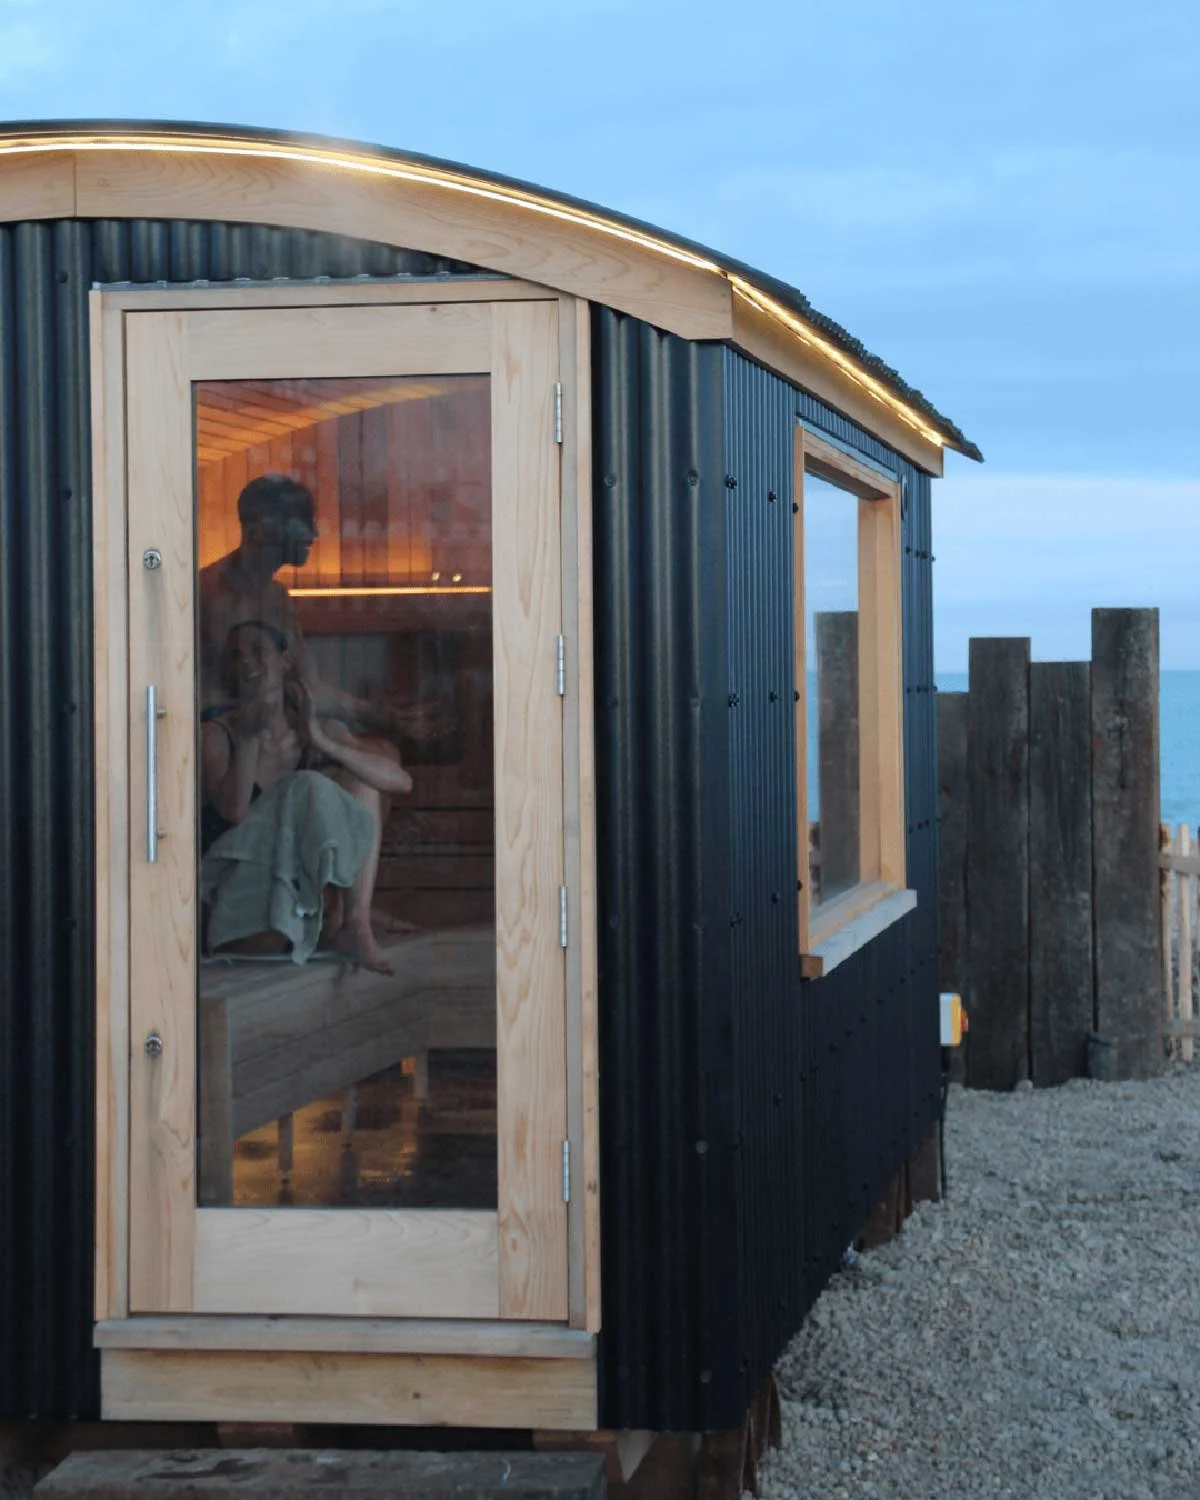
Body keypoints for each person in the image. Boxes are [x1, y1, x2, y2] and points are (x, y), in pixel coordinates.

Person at [200, 619, 413, 974]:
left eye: (258, 651)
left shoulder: (313, 727)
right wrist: (251, 731)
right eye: (236, 656)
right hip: (244, 903)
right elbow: (234, 812)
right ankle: (339, 918)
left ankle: (355, 924)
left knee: (358, 783)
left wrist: (322, 741)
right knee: (307, 786)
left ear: (284, 661)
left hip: (300, 904)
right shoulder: (216, 736)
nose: (247, 662)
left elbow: (400, 782)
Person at [198, 473, 437, 740]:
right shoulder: (214, 596)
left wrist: (382, 714)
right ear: (260, 529)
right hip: (228, 743)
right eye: (301, 521)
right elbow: (242, 694)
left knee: (357, 746)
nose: (314, 533)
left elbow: (310, 686)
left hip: (273, 732)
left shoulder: (276, 597)